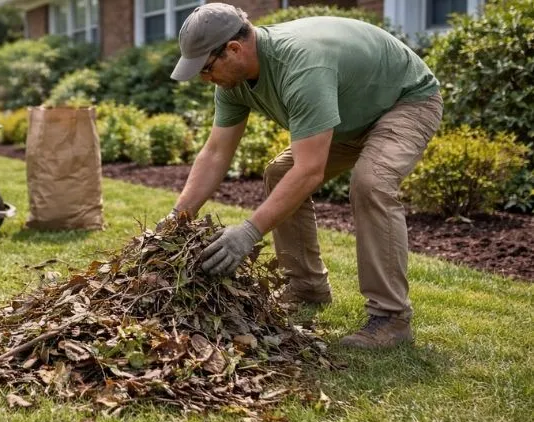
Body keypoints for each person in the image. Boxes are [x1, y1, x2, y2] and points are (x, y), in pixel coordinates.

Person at [167, 3, 443, 349]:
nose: (205, 80)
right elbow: (216, 153)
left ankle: (391, 318)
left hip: (404, 100)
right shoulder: (232, 84)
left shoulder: (300, 67)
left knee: (371, 183)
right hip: (350, 115)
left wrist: (248, 233)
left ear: (234, 50)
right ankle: (306, 288)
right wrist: (177, 219)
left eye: (206, 70)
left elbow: (310, 171)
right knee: (280, 172)